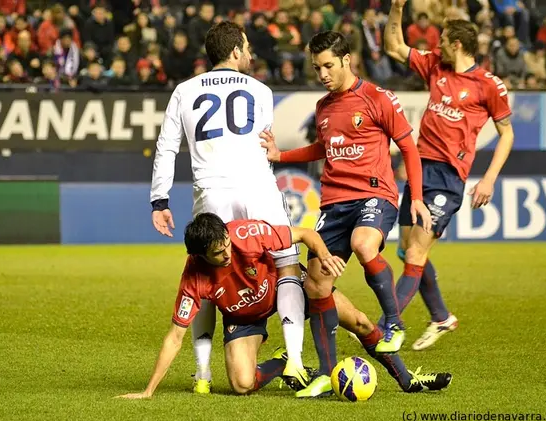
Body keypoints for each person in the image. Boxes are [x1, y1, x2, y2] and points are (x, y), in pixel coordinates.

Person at [259, 30, 431, 397]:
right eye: (316, 67)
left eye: (328, 66)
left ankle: (395, 325)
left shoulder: (377, 98)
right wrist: (280, 155)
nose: (322, 73)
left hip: (374, 194)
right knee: (317, 283)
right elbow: (321, 148)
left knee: (364, 244)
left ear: (346, 61)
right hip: (334, 204)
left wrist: (415, 197)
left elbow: (409, 148)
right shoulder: (323, 108)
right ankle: (324, 371)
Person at [116, 214, 452, 399]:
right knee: (242, 384)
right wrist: (148, 392)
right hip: (244, 318)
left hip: (287, 290)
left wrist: (324, 258)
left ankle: (408, 380)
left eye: (227, 246)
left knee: (361, 322)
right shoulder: (194, 278)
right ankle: (282, 361)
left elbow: (305, 234)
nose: (227, 254)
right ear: (199, 255)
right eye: (218, 254)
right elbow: (175, 337)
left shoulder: (247, 234)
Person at [149, 21, 309, 394]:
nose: (251, 54)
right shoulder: (261, 90)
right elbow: (262, 141)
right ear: (236, 51)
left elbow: (166, 147)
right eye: (248, 47)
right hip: (256, 185)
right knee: (286, 263)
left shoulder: (184, 90)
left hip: (211, 192)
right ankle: (296, 362)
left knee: (206, 274)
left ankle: (203, 375)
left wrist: (160, 200)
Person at [382, 0, 514, 350]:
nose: (436, 45)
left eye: (442, 40)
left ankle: (386, 327)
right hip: (418, 171)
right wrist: (396, 9)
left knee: (414, 254)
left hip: (448, 178)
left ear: (457, 44)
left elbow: (507, 134)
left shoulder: (488, 85)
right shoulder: (435, 67)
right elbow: (393, 46)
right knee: (406, 252)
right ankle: (441, 317)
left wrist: (488, 179)